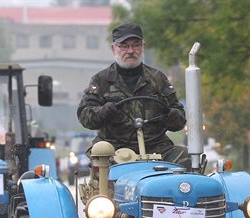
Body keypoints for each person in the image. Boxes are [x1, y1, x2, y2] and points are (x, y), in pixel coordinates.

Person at [77, 23, 189, 168]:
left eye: (136, 45)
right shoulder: (101, 80)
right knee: (101, 160)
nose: (130, 51)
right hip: (114, 148)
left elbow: (179, 119)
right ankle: (106, 191)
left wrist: (171, 115)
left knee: (185, 157)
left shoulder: (158, 79)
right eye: (124, 45)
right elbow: (84, 116)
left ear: (143, 47)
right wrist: (102, 112)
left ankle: (180, 189)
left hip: (156, 147)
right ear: (114, 49)